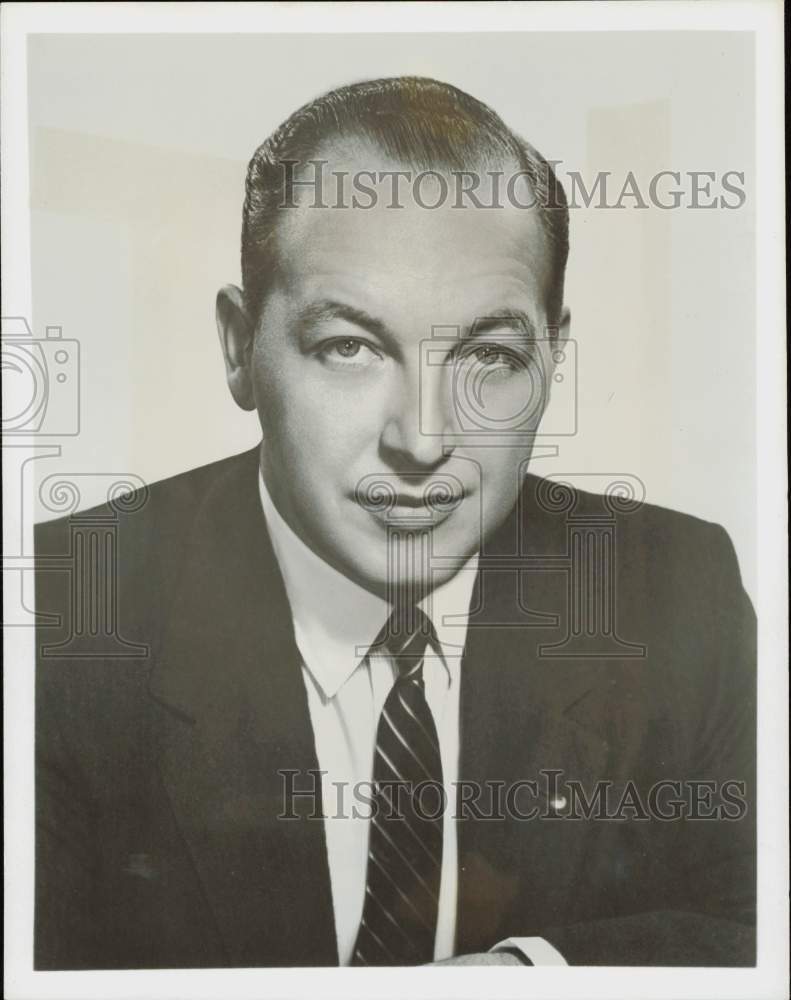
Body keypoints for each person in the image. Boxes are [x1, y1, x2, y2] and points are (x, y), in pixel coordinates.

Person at [34, 76, 756, 970]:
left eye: (487, 356)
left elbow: (755, 927)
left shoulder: (676, 589)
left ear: (553, 357)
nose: (423, 438)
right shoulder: (65, 618)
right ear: (238, 348)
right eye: (349, 347)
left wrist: (529, 980)